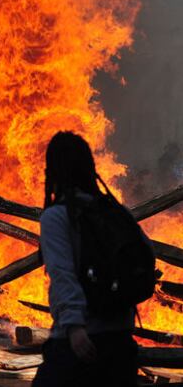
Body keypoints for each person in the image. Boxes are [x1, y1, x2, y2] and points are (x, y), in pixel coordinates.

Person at [33, 131, 151, 387]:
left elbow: (62, 275)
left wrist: (75, 328)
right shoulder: (116, 212)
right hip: (121, 342)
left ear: (53, 171)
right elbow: (146, 256)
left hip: (80, 343)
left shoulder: (57, 217)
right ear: (90, 167)